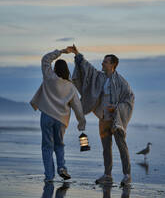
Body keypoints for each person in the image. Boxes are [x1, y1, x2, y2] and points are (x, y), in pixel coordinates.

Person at [67, 44, 134, 185]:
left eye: (105, 61)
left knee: (122, 147)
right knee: (106, 149)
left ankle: (127, 175)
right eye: (103, 61)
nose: (102, 63)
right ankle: (107, 175)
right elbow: (88, 69)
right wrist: (77, 54)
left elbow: (129, 99)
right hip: (103, 119)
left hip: (117, 120)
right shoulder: (100, 77)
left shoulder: (121, 82)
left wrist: (116, 108)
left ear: (113, 65)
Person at [30, 48, 86, 182]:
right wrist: (81, 122)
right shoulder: (71, 87)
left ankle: (49, 176)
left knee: (47, 146)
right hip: (62, 120)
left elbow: (45, 59)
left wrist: (61, 51)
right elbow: (77, 106)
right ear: (67, 70)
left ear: (55, 69)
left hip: (47, 116)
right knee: (59, 145)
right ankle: (61, 167)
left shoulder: (49, 77)